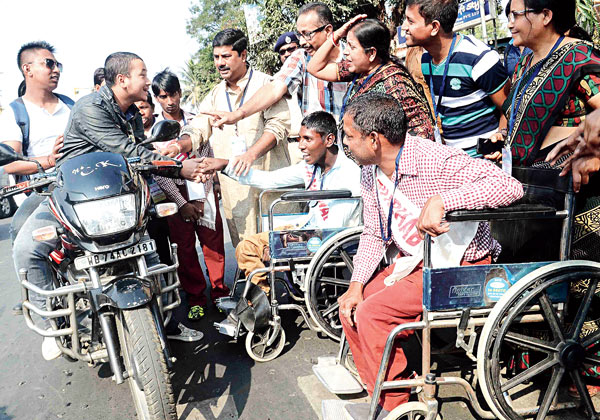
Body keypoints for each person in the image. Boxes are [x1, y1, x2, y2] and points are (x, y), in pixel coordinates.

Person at [336, 92, 522, 418]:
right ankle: (383, 393)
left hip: (460, 266)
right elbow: (374, 234)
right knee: (351, 307)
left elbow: (509, 187)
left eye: (350, 137)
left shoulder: (434, 160)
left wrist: (443, 200)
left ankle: (395, 407)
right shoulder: (370, 171)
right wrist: (355, 285)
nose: (346, 144)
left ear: (374, 139)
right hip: (417, 261)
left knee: (372, 315)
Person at [12, 52, 204, 360]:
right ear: (123, 80)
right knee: (25, 248)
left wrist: (166, 154)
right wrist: (178, 168)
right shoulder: (91, 107)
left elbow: (139, 149)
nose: (147, 80)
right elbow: (128, 151)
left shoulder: (129, 113)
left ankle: (164, 316)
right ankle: (57, 323)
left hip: (118, 199)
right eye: (143, 74)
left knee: (157, 231)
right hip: (74, 196)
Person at [500, 0, 600, 396]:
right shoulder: (526, 62)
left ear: (545, 15)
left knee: (580, 284)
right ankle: (539, 364)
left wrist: (594, 154)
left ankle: (588, 373)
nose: (509, 22)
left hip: (581, 197)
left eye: (515, 13)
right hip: (531, 188)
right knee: (536, 279)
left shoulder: (578, 56)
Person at [200, 111, 361, 293]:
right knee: (245, 248)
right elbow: (268, 180)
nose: (301, 146)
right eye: (300, 139)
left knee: (263, 248)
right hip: (306, 231)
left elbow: (332, 228)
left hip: (326, 239)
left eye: (307, 139)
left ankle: (261, 306)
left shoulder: (349, 174)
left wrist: (282, 244)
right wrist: (224, 165)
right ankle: (262, 302)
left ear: (329, 140)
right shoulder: (311, 167)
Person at [163, 29, 291, 248]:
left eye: (226, 56)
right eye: (216, 57)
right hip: (236, 190)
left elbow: (278, 127)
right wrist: (179, 145)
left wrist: (250, 155)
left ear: (243, 55)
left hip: (271, 183)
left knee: (284, 245)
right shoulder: (214, 96)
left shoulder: (265, 85)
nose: (220, 63)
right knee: (247, 250)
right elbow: (198, 128)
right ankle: (257, 283)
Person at [152, 69, 230, 321]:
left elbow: (207, 158)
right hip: (175, 197)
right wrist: (182, 202)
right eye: (163, 96)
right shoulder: (154, 132)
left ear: (180, 93)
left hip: (203, 190)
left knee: (213, 246)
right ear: (157, 98)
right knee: (185, 250)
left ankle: (220, 294)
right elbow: (161, 172)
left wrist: (203, 194)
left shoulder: (197, 122)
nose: (169, 101)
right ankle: (195, 298)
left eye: (172, 94)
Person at [197, 2, 348, 130]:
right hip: (318, 150)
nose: (302, 42)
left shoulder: (352, 57)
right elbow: (275, 87)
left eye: (307, 34)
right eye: (300, 35)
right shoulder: (301, 57)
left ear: (328, 31)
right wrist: (238, 114)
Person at [402, 0, 510, 154]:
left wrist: (501, 138)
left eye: (410, 21)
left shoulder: (479, 58)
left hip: (486, 163)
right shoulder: (426, 60)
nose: (404, 27)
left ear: (434, 27)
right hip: (454, 161)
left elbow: (510, 109)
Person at [306, 17, 435, 141]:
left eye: (352, 47)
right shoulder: (358, 71)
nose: (346, 52)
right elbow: (314, 68)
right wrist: (337, 35)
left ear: (371, 53)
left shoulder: (395, 84)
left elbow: (423, 133)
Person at [0, 41, 74, 243]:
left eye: (58, 65)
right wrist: (49, 160)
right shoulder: (14, 113)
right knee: (24, 245)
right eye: (49, 64)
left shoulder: (71, 106)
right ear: (28, 69)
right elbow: (11, 163)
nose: (56, 70)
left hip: (79, 188)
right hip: (40, 196)